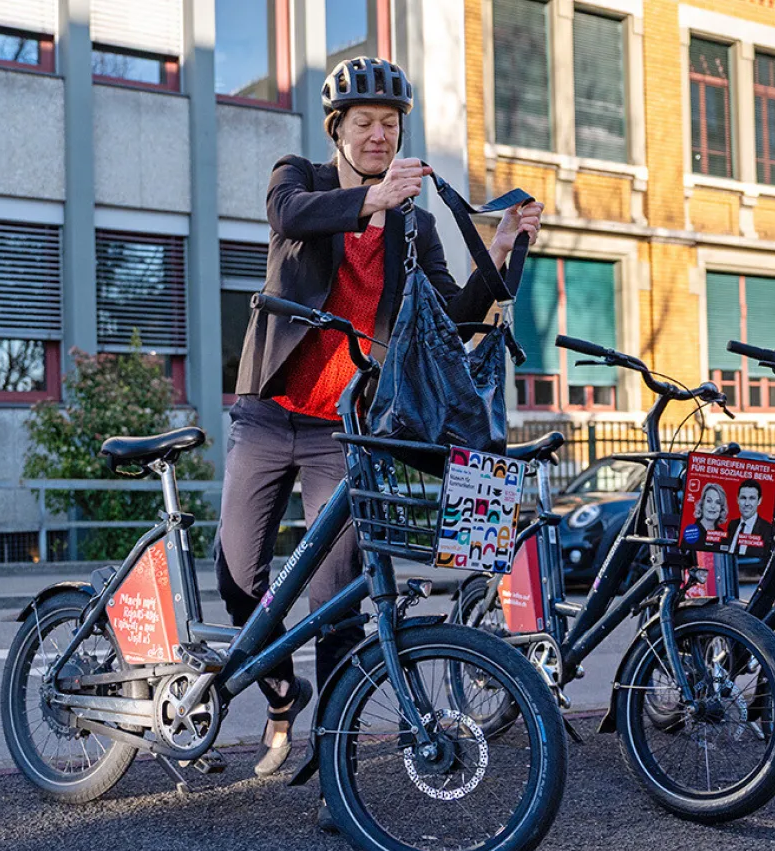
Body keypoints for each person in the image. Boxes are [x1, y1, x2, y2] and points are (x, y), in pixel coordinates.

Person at [217, 56, 543, 781]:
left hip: (346, 430)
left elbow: (451, 317)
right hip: (269, 412)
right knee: (239, 580)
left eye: (389, 125)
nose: (378, 135)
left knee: (336, 603)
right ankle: (281, 691)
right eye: (363, 123)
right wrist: (370, 200)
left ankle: (333, 769)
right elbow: (288, 217)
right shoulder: (297, 176)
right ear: (337, 130)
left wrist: (498, 247)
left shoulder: (413, 224)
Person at [724, 477, 775, 557]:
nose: (747, 503)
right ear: (737, 499)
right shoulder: (732, 525)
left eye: (752, 498)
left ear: (759, 501)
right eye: (743, 498)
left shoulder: (767, 530)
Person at [682, 483, 729, 549]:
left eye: (717, 502)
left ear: (721, 508)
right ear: (702, 503)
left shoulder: (723, 536)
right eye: (709, 501)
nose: (713, 506)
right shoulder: (691, 533)